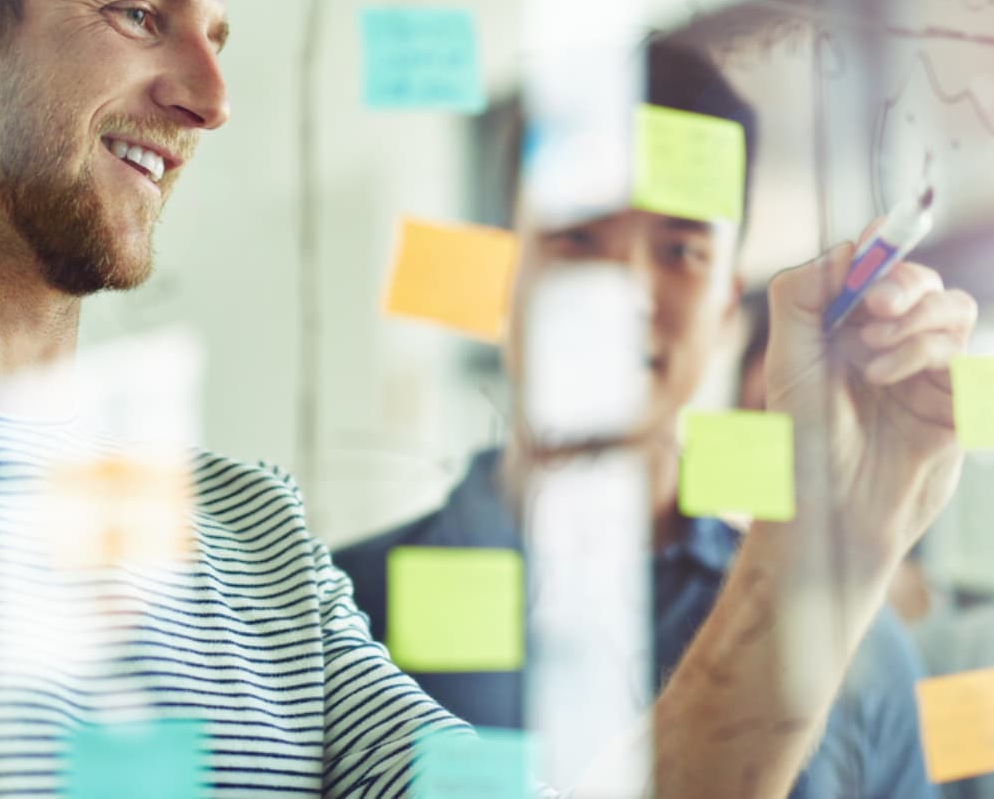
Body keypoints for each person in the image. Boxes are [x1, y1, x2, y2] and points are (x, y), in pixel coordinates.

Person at [0, 0, 975, 798]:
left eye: (214, 34)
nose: (212, 98)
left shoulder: (250, 535)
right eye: (138, 15)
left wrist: (830, 533)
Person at [336, 41, 945, 798]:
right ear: (503, 277)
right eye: (576, 237)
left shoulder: (851, 645)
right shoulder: (343, 617)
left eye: (681, 250)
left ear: (728, 300)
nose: (623, 292)